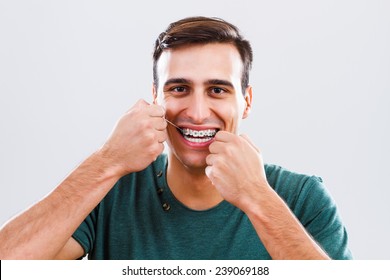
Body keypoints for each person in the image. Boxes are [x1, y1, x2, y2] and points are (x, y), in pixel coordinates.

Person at [0, 16, 352, 260]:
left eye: (217, 89)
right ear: (156, 98)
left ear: (246, 101)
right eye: (179, 88)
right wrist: (107, 161)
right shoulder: (111, 191)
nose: (197, 112)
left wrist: (257, 198)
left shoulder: (303, 198)